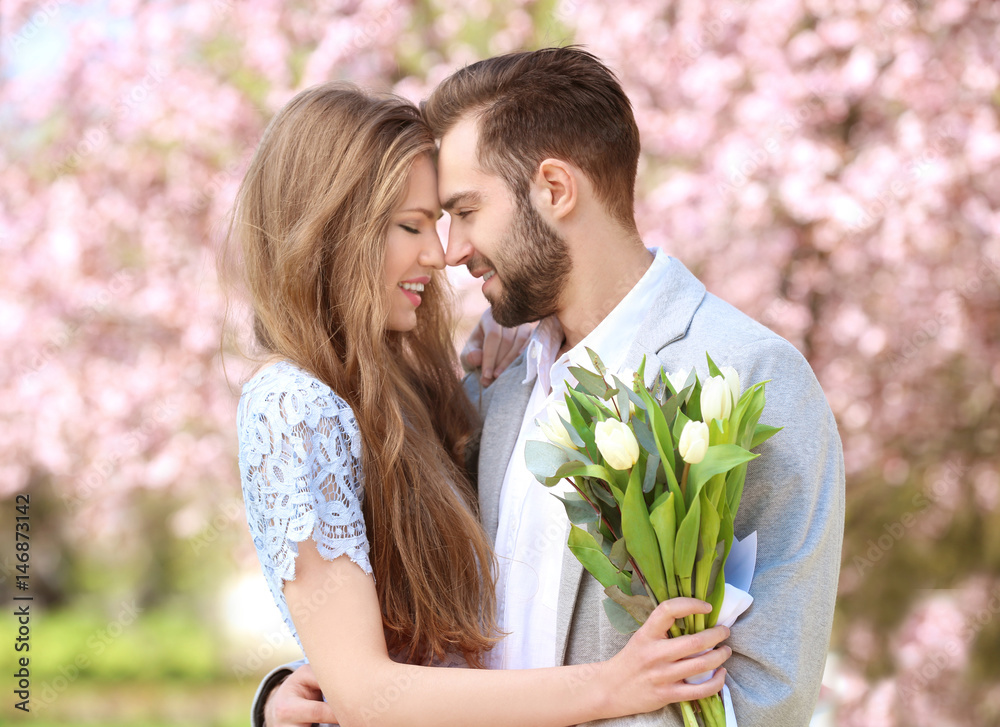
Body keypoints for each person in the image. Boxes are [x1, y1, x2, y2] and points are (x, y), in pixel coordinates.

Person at [257, 47, 845, 727]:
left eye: (467, 211)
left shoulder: (748, 377)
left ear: (555, 189)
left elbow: (769, 692)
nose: (451, 250)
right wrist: (294, 694)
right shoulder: (493, 386)